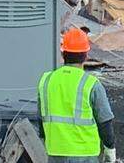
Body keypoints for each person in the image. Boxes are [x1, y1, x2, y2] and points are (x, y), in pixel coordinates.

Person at [37, 28, 118, 163]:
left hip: (55, 152)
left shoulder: (46, 80)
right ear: (86, 55)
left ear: (63, 54)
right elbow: (105, 121)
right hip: (85, 154)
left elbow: (41, 118)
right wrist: (110, 149)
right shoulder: (91, 84)